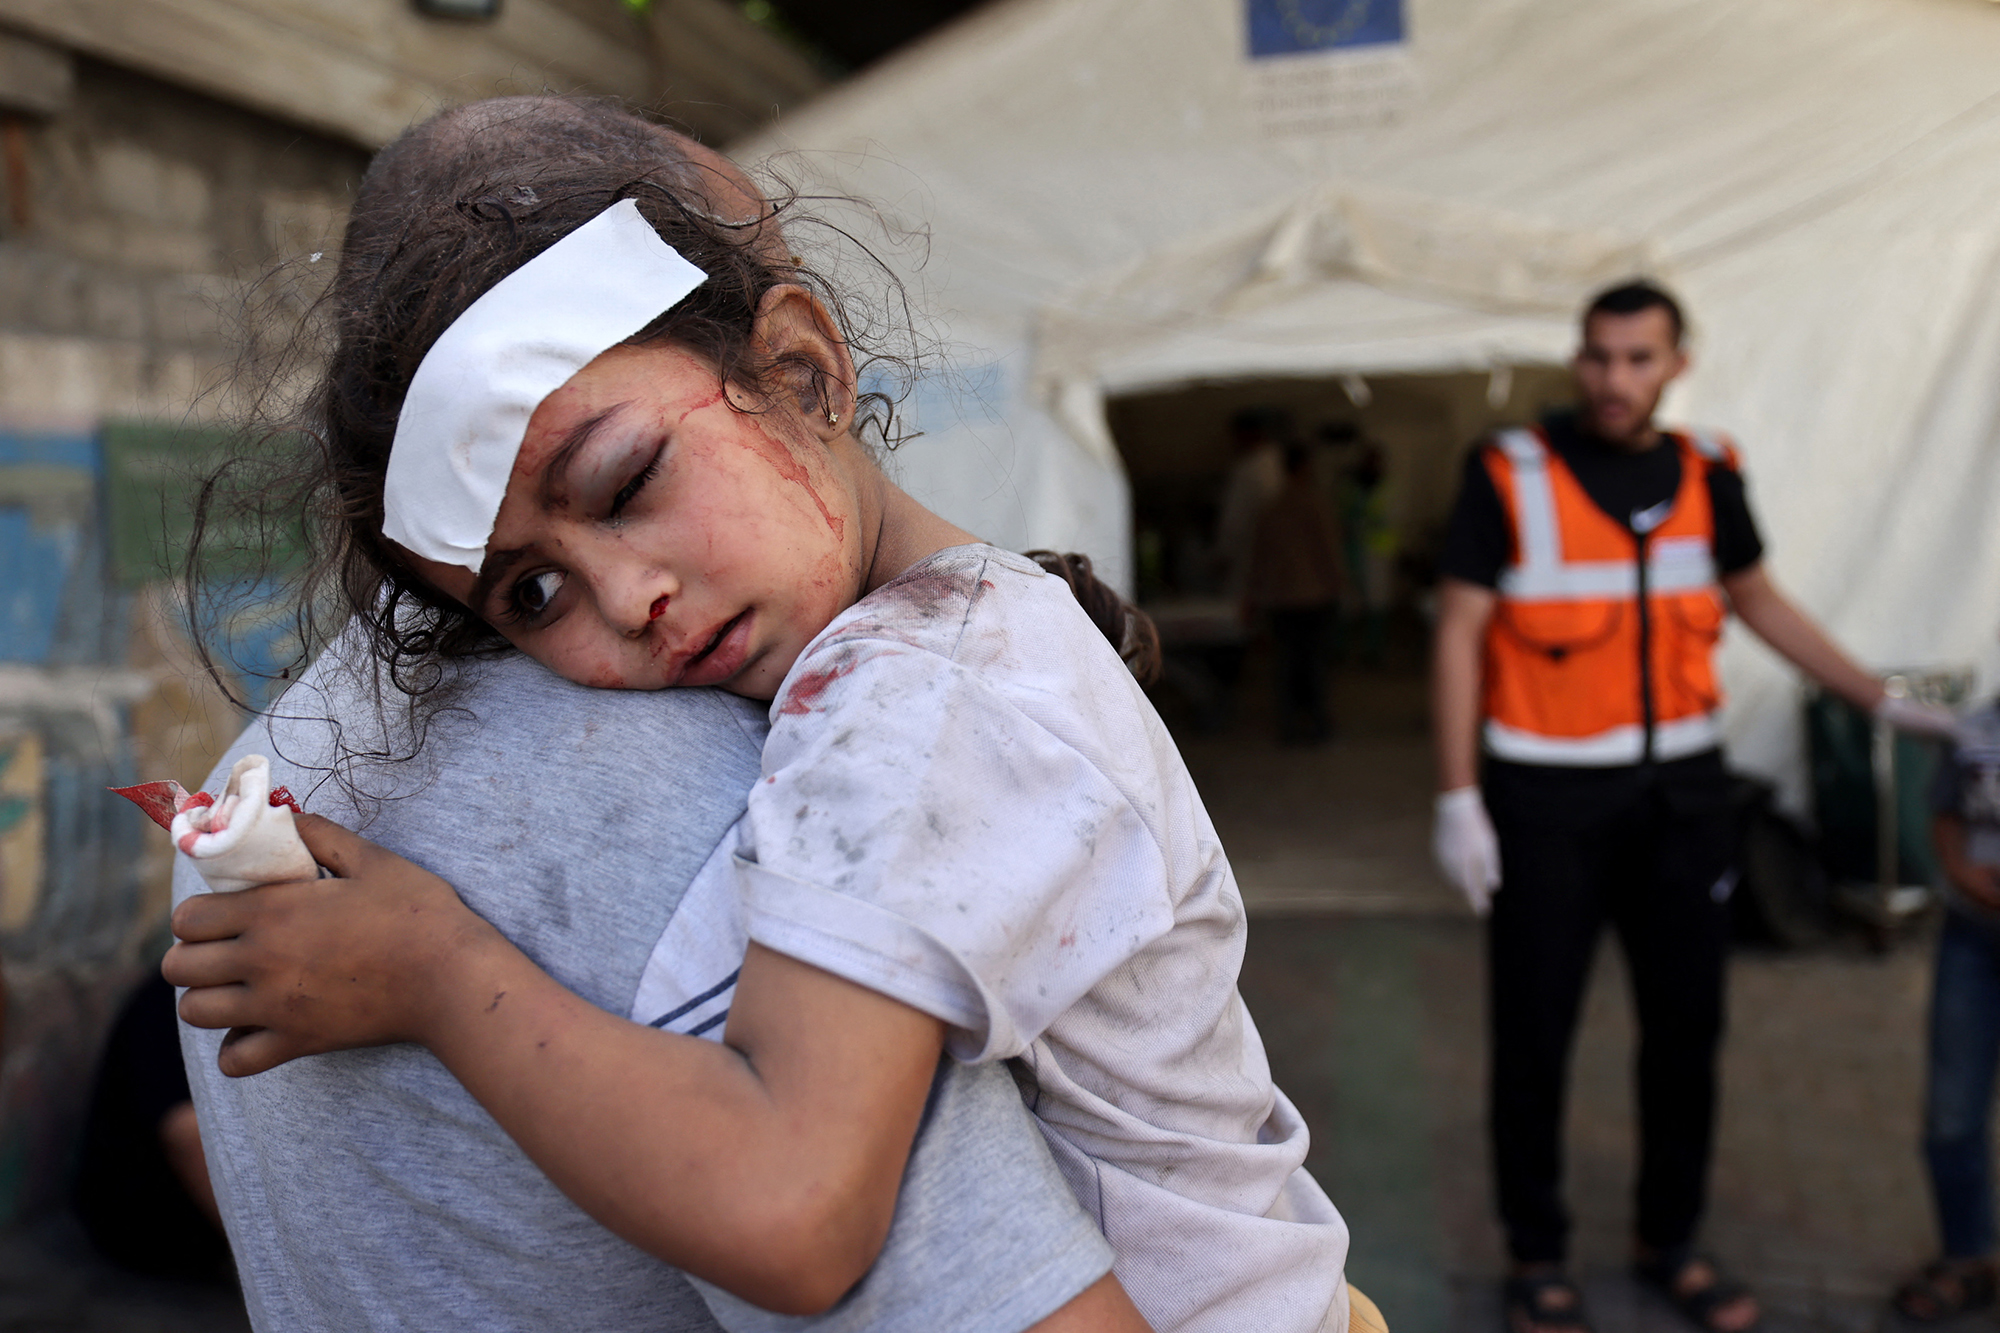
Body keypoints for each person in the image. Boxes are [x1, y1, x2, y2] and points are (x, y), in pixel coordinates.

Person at [163, 95, 1361, 1333]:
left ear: (799, 366)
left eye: (626, 483)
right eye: (530, 593)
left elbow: (796, 1214)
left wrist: (436, 973)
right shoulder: (939, 647)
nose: (626, 602)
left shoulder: (909, 709)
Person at [1428, 280, 1957, 1333]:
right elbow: (1456, 630)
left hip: (1680, 799)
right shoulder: (1509, 472)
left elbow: (1755, 599)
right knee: (1533, 1033)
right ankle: (1537, 1254)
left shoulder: (1708, 473)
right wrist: (1456, 798)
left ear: (1676, 362)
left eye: (1636, 358)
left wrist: (1881, 702)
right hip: (1545, 802)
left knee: (1685, 1031)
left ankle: (1666, 1239)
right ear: (1576, 360)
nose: (1612, 378)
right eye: (1595, 356)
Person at [1891, 686, 2000, 1323]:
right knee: (1952, 1113)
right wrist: (1965, 875)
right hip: (1974, 946)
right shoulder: (1976, 731)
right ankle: (1966, 1258)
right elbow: (1944, 819)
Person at [1247, 443, 1343, 743]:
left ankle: (1288, 725)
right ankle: (1316, 724)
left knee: (1286, 663)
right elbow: (1328, 549)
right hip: (1313, 594)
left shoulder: (1271, 506)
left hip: (1281, 596)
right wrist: (1338, 584)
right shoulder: (1316, 503)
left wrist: (1255, 593)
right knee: (1313, 662)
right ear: (1304, 466)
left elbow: (1259, 556)